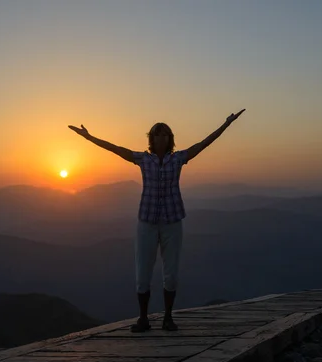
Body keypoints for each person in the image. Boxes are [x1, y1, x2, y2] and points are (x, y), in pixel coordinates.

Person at [68, 109, 245, 332]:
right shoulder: (143, 159)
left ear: (170, 139)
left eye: (164, 134)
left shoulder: (179, 158)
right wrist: (90, 137)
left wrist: (226, 123)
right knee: (143, 273)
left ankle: (168, 318)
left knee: (171, 273)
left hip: (172, 221)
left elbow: (204, 143)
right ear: (151, 139)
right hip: (147, 222)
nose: (160, 138)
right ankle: (143, 319)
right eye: (156, 134)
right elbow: (115, 149)